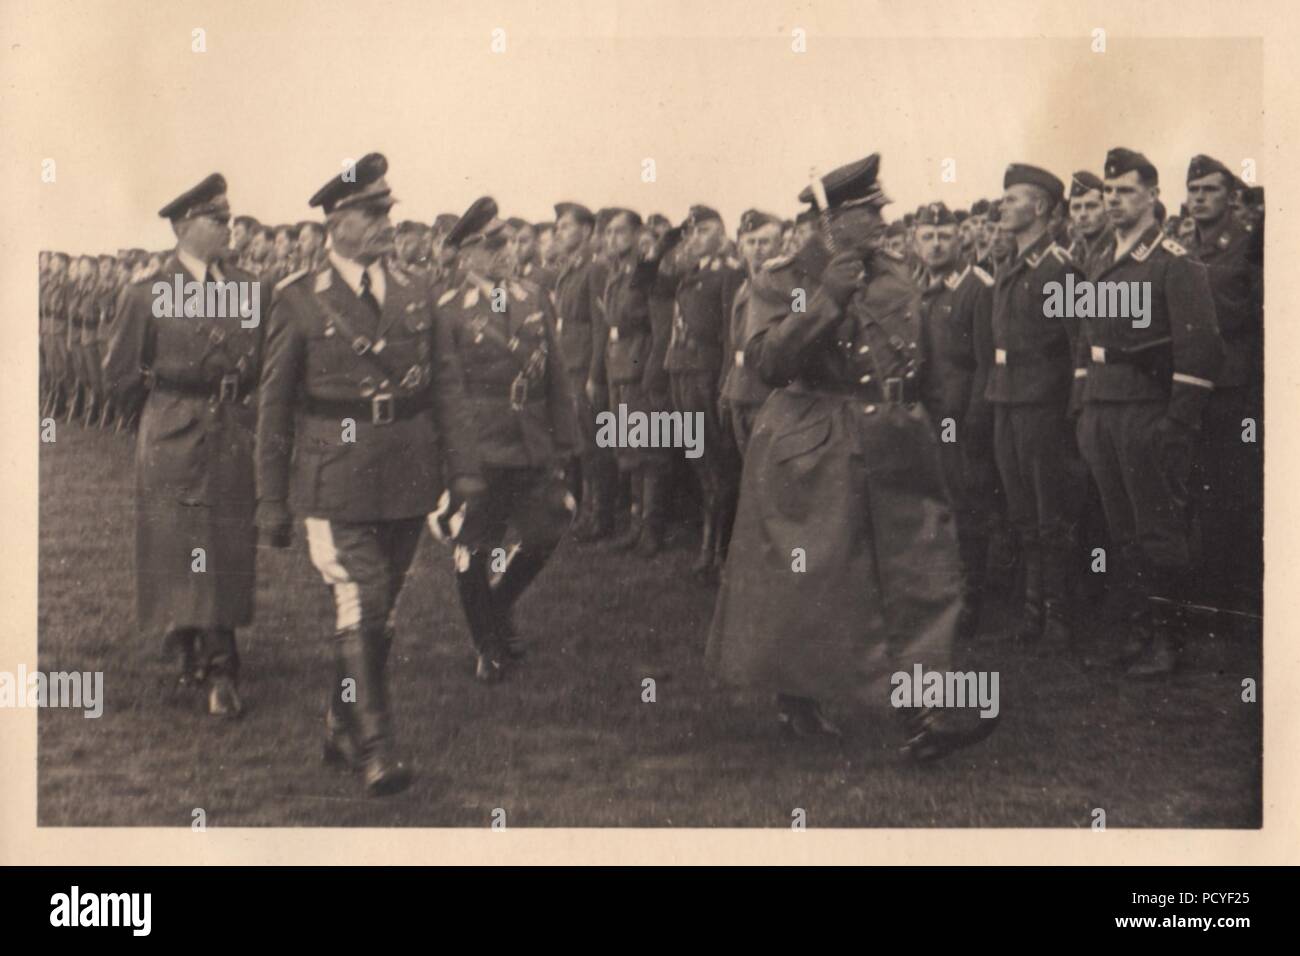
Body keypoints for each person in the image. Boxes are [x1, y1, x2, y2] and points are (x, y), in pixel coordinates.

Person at [707, 153, 995, 760]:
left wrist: (940, 422)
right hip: (817, 437)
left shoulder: (895, 270)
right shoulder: (782, 278)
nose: (882, 220)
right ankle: (798, 700)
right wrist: (826, 299)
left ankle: (928, 712)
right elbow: (768, 363)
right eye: (869, 212)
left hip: (896, 433)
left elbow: (925, 352)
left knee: (920, 570)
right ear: (832, 220)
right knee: (812, 579)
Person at [255, 153, 482, 795]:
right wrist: (271, 500)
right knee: (363, 598)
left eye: (388, 210)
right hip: (335, 478)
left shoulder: (415, 292)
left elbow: (449, 390)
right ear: (337, 222)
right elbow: (273, 407)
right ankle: (376, 748)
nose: (387, 222)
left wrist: (464, 472)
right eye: (372, 212)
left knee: (378, 613)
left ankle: (338, 718)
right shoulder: (299, 300)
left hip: (408, 474)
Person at [102, 172, 262, 717]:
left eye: (228, 218)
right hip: (174, 428)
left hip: (229, 427)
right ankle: (218, 663)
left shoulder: (244, 287)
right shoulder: (149, 293)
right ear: (182, 226)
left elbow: (258, 361)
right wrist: (153, 424)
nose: (227, 227)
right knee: (186, 540)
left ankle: (196, 641)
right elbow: (120, 373)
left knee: (225, 538)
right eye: (216, 220)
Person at [1072, 147, 1224, 676]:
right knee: (1123, 530)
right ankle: (1139, 630)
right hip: (1103, 408)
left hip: (1144, 410)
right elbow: (1085, 340)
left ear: (1153, 196)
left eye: (1126, 192)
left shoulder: (1173, 261)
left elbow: (1200, 349)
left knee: (1158, 526)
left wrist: (1176, 424)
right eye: (1109, 192)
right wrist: (1082, 410)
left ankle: (1168, 639)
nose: (1114, 201)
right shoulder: (1099, 259)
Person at [432, 197, 577, 681]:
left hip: (531, 443)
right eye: (493, 245)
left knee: (548, 527)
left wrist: (566, 442)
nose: (505, 252)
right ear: (467, 254)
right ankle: (486, 642)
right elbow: (444, 392)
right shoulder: (450, 312)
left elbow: (555, 373)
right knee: (474, 546)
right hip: (481, 447)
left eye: (507, 242)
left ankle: (497, 605)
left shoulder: (532, 297)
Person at [986, 163, 1082, 652]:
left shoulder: (1059, 269)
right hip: (1007, 400)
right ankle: (1030, 613)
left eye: (1013, 198)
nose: (1004, 205)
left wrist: (1071, 411)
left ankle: (1059, 618)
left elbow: (1077, 346)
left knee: (1051, 515)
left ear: (1040, 207)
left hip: (1043, 405)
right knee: (1022, 513)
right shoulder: (1010, 267)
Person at [914, 202, 997, 640]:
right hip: (925, 417)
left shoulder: (977, 287)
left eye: (944, 235)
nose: (935, 243)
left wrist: (976, 421)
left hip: (960, 417)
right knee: (932, 507)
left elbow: (986, 363)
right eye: (927, 236)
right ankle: (938, 592)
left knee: (967, 507)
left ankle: (971, 599)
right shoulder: (919, 289)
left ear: (961, 238)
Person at [552, 201, 617, 542]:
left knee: (594, 446)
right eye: (559, 227)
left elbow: (599, 328)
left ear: (587, 230)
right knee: (580, 445)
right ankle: (584, 511)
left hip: (584, 369)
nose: (559, 232)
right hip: (569, 366)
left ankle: (601, 516)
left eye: (565, 226)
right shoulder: (570, 269)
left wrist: (595, 375)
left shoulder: (595, 270)